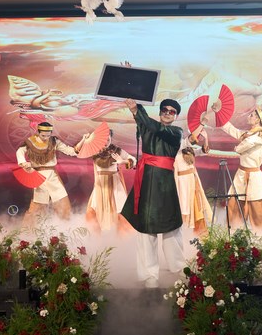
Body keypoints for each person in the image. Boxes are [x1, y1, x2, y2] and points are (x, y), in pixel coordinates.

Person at [120, 98, 186, 288]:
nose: (167, 113)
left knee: (171, 227)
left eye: (172, 111)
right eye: (165, 109)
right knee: (146, 229)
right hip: (147, 181)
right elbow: (144, 123)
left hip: (165, 184)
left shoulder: (176, 132)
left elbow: (155, 127)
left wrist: (137, 109)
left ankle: (178, 267)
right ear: (160, 111)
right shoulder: (149, 127)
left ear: (176, 116)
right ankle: (149, 274)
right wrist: (135, 109)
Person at [211, 105, 262, 234]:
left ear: (258, 119)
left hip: (253, 176)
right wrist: (218, 113)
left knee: (258, 207)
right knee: (234, 203)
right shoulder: (247, 134)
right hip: (241, 174)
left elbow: (247, 144)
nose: (248, 117)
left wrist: (238, 148)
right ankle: (234, 232)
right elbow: (231, 129)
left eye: (251, 115)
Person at [16, 121, 87, 226]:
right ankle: (29, 231)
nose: (46, 138)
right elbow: (20, 151)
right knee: (37, 206)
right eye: (43, 135)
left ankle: (64, 228)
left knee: (62, 202)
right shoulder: (31, 141)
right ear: (38, 132)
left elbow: (71, 151)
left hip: (52, 176)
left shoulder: (54, 141)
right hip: (38, 177)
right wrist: (23, 163)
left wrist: (83, 140)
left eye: (48, 135)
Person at [85, 129, 136, 233]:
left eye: (108, 139)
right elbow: (78, 151)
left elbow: (133, 160)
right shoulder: (94, 150)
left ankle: (123, 239)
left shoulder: (117, 151)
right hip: (101, 185)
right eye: (103, 140)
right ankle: (97, 239)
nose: (106, 142)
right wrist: (85, 140)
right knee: (92, 212)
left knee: (122, 212)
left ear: (111, 139)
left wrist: (123, 161)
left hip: (115, 184)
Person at [174, 127, 213, 236]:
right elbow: (185, 143)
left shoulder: (189, 150)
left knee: (197, 207)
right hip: (183, 183)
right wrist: (200, 126)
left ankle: (201, 235)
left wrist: (206, 139)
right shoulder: (175, 149)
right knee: (184, 207)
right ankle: (184, 235)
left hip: (193, 181)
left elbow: (203, 151)